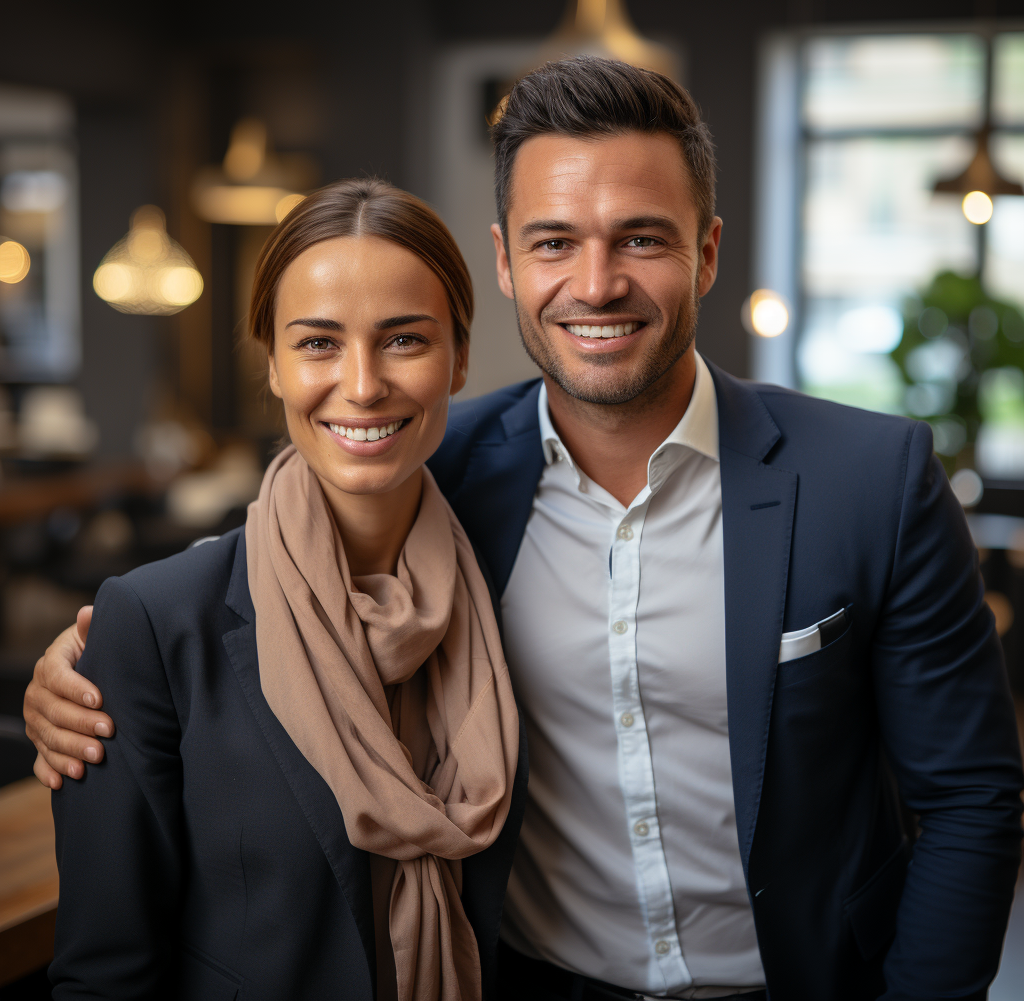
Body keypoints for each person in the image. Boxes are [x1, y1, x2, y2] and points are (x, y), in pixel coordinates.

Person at [26, 57, 1024, 1001]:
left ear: (706, 250)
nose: (595, 284)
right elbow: (289, 548)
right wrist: (93, 656)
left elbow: (973, 800)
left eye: (640, 237)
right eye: (554, 241)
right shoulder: (441, 461)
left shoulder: (871, 478)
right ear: (504, 263)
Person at [41, 178, 526, 1001]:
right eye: (318, 343)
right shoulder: (158, 622)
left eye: (405, 340)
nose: (364, 384)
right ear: (272, 361)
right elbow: (105, 971)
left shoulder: (518, 581)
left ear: (461, 356)